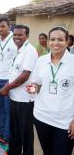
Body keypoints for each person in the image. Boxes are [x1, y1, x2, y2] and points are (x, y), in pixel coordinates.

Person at [27, 26, 74, 155]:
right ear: (48, 41)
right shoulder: (41, 61)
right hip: (42, 117)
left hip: (65, 121)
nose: (56, 43)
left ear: (67, 41)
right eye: (52, 39)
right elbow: (36, 81)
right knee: (47, 152)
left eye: (60, 39)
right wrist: (33, 87)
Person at [0, 25, 38, 154]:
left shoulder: (30, 50)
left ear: (27, 36)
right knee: (15, 131)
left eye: (20, 35)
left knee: (25, 133)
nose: (16, 37)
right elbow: (14, 74)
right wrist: (8, 87)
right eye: (15, 35)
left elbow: (25, 76)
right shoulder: (18, 50)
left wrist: (7, 88)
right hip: (15, 98)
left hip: (25, 100)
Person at [0, 15, 17, 143]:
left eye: (3, 26)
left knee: (8, 109)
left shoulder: (15, 40)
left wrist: (11, 80)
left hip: (9, 79)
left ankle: (7, 136)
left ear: (9, 26)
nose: (0, 29)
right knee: (0, 107)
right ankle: (1, 131)